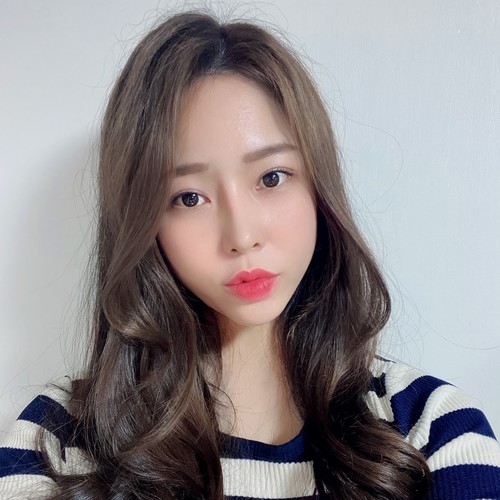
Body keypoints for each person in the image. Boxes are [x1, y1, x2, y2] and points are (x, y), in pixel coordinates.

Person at [1, 10, 499, 500]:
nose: (241, 236)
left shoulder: (430, 429)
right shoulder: (55, 444)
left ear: (318, 187)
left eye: (271, 177)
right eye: (189, 198)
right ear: (144, 222)